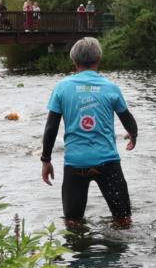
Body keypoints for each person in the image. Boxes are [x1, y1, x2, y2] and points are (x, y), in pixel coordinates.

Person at [41, 37, 137, 225]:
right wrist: (133, 136)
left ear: (74, 61)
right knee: (124, 219)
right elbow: (128, 119)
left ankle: (79, 249)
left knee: (73, 222)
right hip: (107, 162)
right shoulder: (110, 87)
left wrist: (46, 160)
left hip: (75, 163)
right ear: (99, 59)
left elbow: (51, 127)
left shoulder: (62, 88)